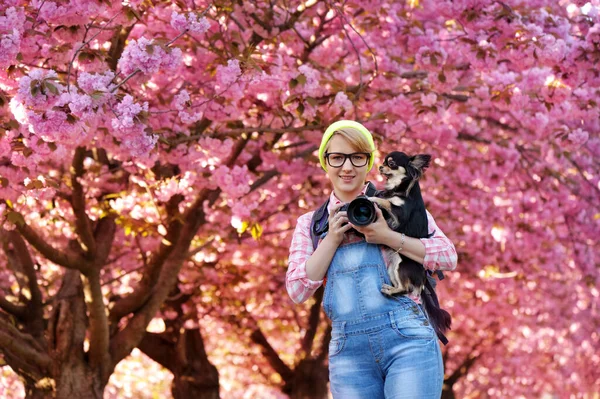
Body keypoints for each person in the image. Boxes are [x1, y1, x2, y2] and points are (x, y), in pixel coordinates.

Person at [286, 120, 457, 398]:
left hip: (409, 342)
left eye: (357, 157)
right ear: (324, 162)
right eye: (337, 157)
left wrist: (386, 236)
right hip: (349, 354)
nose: (347, 166)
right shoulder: (311, 224)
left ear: (369, 162)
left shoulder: (399, 203)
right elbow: (297, 290)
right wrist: (331, 238)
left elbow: (448, 256)